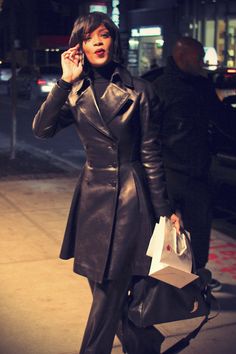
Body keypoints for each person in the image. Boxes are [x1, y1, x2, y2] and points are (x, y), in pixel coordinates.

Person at [32, 12, 180, 354]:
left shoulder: (140, 91)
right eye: (89, 37)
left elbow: (151, 156)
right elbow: (41, 130)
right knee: (102, 289)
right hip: (91, 200)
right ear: (79, 46)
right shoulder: (74, 90)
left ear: (113, 41)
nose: (97, 42)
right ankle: (145, 345)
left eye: (103, 35)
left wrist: (165, 211)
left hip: (131, 200)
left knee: (107, 293)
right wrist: (64, 82)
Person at [153, 36, 236, 292]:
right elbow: (148, 135)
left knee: (199, 231)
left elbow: (223, 119)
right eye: (199, 57)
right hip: (169, 173)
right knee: (168, 234)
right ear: (182, 57)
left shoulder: (201, 86)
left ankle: (197, 278)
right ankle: (169, 284)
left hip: (197, 173)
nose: (203, 62)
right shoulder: (159, 88)